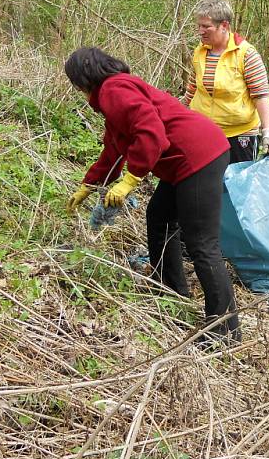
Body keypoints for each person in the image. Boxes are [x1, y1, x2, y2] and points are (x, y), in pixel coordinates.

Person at [64, 47, 240, 346]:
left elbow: (151, 132)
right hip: (185, 161)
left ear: (83, 76)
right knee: (159, 218)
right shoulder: (113, 93)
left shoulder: (114, 89)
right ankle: (170, 292)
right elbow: (114, 147)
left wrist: (131, 180)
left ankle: (225, 331)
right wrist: (89, 184)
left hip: (199, 156)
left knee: (201, 244)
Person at [183, 0, 269, 163]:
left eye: (206, 26)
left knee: (236, 186)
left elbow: (261, 96)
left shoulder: (246, 54)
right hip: (204, 131)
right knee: (207, 186)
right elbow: (192, 87)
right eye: (199, 26)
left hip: (240, 135)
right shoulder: (200, 51)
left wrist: (268, 132)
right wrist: (176, 111)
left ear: (224, 26)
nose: (200, 31)